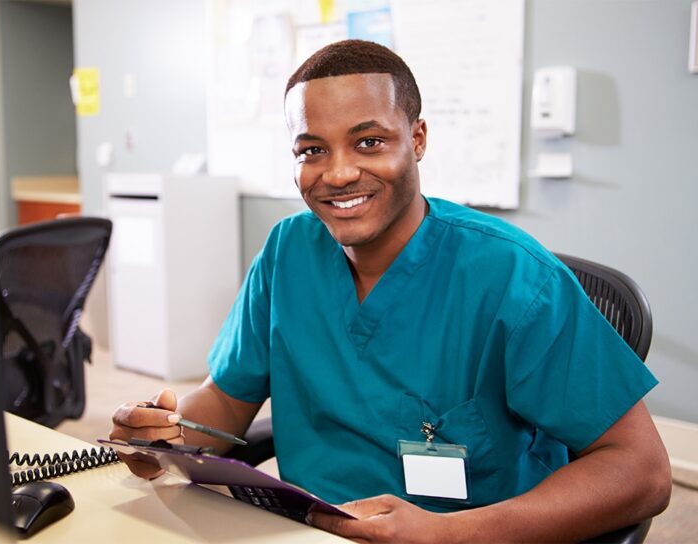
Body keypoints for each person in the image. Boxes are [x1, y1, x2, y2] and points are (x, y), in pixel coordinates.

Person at [111, 40, 671, 542]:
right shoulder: (287, 252)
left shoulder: (514, 278)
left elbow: (641, 471)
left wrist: (449, 535)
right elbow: (227, 401)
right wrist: (166, 433)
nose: (337, 173)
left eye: (369, 141)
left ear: (418, 139)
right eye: (312, 150)